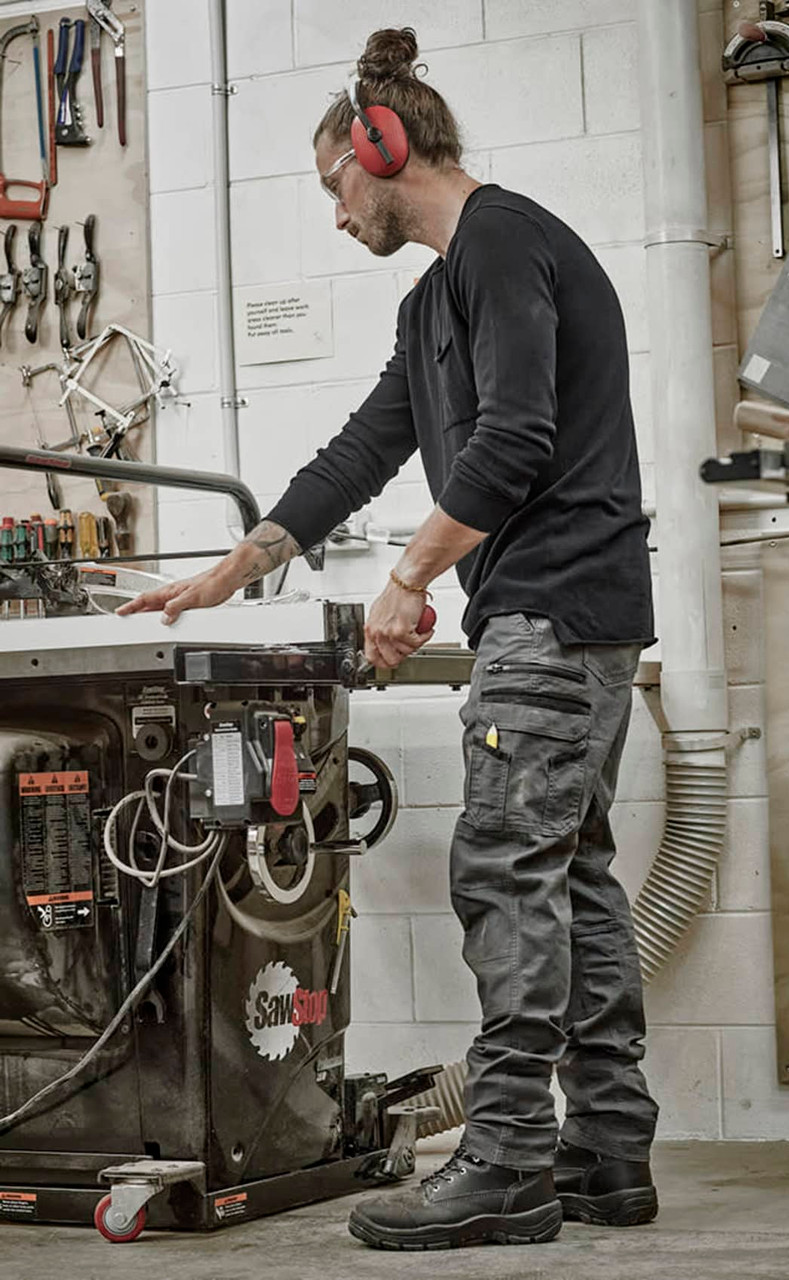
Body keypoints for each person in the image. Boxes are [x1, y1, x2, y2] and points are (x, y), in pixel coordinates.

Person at [119, 27, 659, 1251]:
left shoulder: (504, 241)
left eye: (332, 184)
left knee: (502, 874)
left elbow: (513, 440)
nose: (332, 213)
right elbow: (364, 448)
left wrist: (409, 578)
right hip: (565, 615)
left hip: (554, 612)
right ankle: (606, 1149)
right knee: (564, 873)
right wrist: (232, 568)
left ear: (381, 146)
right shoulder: (436, 299)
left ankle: (511, 1161)